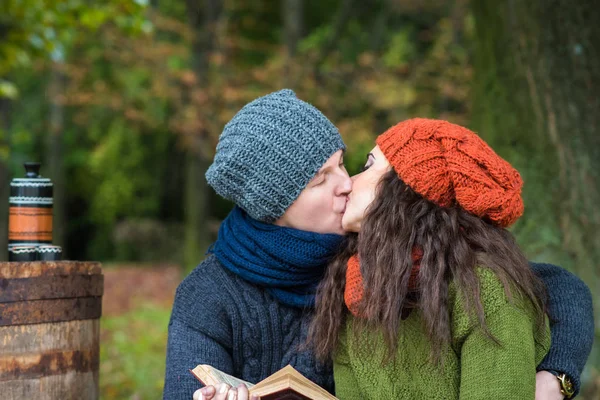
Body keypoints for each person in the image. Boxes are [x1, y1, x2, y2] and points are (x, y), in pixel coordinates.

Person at [163, 92, 593, 400]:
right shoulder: (208, 296)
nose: (346, 183)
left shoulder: (371, 249)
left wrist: (554, 378)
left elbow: (556, 287)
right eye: (320, 180)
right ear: (275, 208)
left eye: (341, 164)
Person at [309, 118, 594, 399]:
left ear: (405, 189)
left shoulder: (485, 290)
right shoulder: (354, 290)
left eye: (367, 166)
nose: (349, 183)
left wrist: (556, 380)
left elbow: (563, 286)